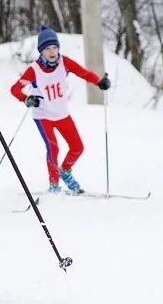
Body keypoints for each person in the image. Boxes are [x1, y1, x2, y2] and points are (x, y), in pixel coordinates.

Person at [10, 25, 111, 194]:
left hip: (61, 113)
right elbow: (14, 89)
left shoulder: (64, 63)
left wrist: (99, 82)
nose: (52, 52)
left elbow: (83, 73)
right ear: (41, 51)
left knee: (77, 147)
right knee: (53, 148)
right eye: (47, 48)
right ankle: (54, 183)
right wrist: (26, 99)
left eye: (55, 47)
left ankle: (65, 171)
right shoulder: (34, 70)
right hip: (43, 115)